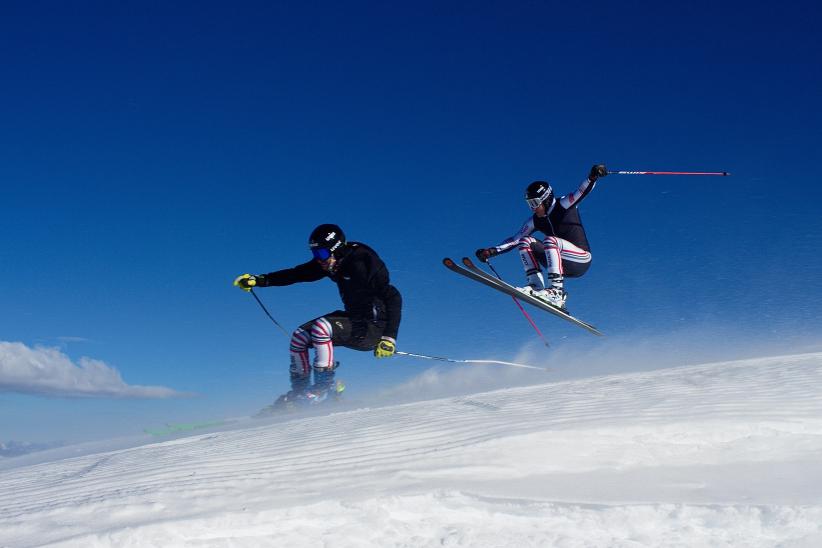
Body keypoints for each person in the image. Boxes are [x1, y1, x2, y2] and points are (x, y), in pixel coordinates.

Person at [234, 224, 402, 408]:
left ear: (336, 250)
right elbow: (297, 273)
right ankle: (299, 394)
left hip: (373, 327)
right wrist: (260, 280)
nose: (318, 260)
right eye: (315, 254)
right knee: (299, 336)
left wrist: (389, 337)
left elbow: (393, 296)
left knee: (321, 327)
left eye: (321, 254)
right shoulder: (330, 263)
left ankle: (323, 390)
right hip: (353, 320)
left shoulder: (361, 262)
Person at [474, 164, 608, 311]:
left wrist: (592, 177)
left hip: (581, 259)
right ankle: (536, 285)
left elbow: (581, 192)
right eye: (529, 204)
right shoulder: (535, 220)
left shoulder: (563, 204)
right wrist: (492, 251)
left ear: (546, 199)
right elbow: (515, 239)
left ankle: (556, 292)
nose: (532, 208)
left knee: (550, 240)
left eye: (535, 203)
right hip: (559, 262)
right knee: (525, 241)